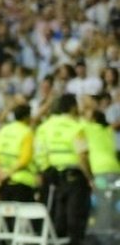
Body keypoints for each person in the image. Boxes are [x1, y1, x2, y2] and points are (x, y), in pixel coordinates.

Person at [42, 94, 92, 245]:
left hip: (55, 177)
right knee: (76, 218)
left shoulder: (48, 126)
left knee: (59, 218)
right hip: (75, 177)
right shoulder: (76, 127)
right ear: (72, 107)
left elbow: (42, 151)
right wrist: (90, 177)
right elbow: (82, 156)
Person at [0, 104, 37, 202]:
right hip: (22, 181)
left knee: (7, 214)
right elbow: (25, 159)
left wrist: (0, 172)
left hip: (4, 181)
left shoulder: (3, 130)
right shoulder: (27, 132)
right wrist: (9, 173)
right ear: (27, 117)